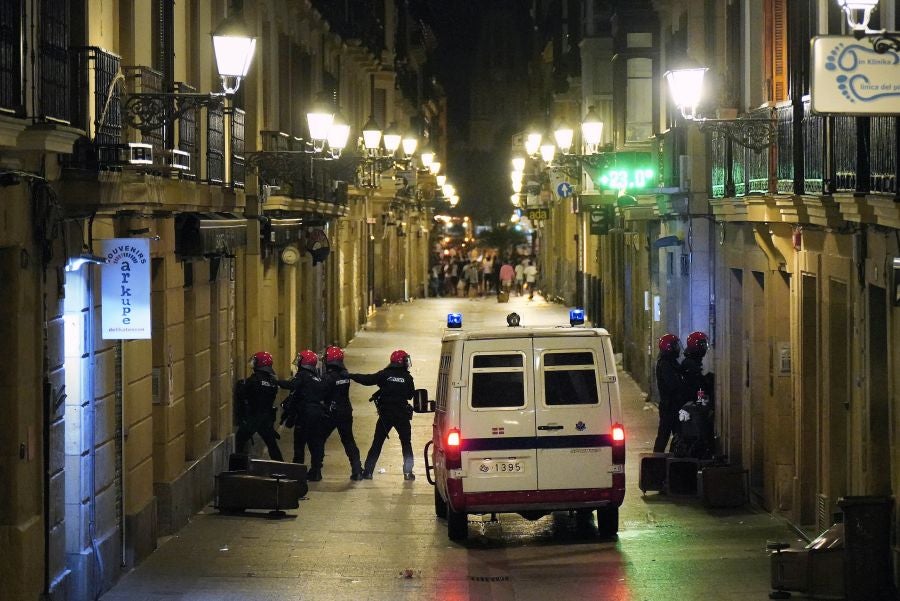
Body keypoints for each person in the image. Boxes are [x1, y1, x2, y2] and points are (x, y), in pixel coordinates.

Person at [351, 349, 416, 480]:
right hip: (401, 415)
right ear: (402, 362)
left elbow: (367, 379)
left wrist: (351, 375)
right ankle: (408, 473)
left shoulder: (384, 375)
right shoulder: (408, 378)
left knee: (377, 442)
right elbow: (410, 395)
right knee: (406, 443)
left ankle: (368, 471)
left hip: (386, 414)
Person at [280, 349, 329, 480]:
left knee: (300, 443)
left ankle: (298, 473)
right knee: (315, 444)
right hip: (318, 414)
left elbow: (292, 386)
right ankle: (316, 471)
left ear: (304, 362)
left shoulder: (302, 375)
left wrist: (277, 382)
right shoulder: (317, 377)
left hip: (305, 415)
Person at [320, 345, 364, 480]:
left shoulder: (329, 377)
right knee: (348, 440)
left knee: (319, 439)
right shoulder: (345, 375)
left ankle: (316, 469)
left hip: (331, 412)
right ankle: (357, 470)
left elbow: (322, 394)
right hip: (345, 411)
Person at [234, 351, 284, 461]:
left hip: (253, 417)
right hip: (266, 418)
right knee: (272, 445)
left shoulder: (253, 380)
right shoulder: (272, 381)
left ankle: (237, 468)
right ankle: (282, 468)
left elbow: (243, 393)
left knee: (240, 440)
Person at [653, 334, 686, 453]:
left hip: (673, 406)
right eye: (675, 346)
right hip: (669, 407)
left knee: (677, 434)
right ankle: (656, 462)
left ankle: (673, 458)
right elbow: (673, 385)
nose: (677, 348)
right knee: (664, 436)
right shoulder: (665, 364)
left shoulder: (671, 363)